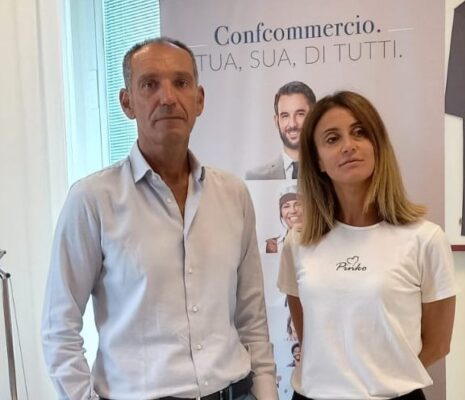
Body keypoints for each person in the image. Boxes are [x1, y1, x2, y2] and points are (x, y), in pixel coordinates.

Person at [41, 37, 277, 400]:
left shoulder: (233, 195)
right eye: (150, 84)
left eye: (181, 83)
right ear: (127, 103)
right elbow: (59, 328)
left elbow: (252, 318)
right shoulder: (93, 200)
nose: (167, 97)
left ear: (199, 99)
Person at [277, 91, 458, 400]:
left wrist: (383, 379)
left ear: (377, 146)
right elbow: (310, 335)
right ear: (318, 161)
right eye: (332, 139)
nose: (349, 145)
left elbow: (438, 343)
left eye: (360, 132)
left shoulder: (425, 238)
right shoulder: (299, 241)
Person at [246, 81, 316, 180]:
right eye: (285, 116)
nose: (292, 124)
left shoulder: (330, 173)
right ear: (276, 121)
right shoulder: (256, 178)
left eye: (300, 114)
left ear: (314, 116)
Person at [266, 184, 303, 253]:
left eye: (298, 204)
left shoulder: (321, 240)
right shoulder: (273, 246)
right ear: (281, 213)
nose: (292, 211)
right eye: (286, 206)